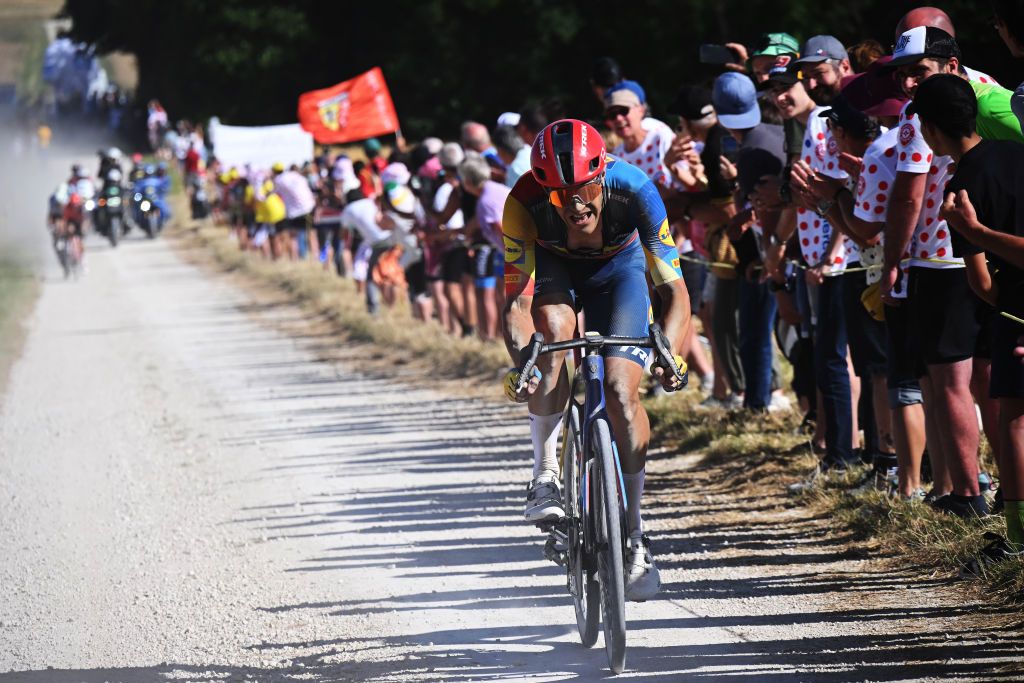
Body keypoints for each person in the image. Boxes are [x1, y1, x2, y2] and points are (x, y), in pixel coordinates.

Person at [502, 119, 690, 601]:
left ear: (602, 174)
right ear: (545, 191)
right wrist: (525, 360)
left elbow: (674, 290)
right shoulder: (522, 203)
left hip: (620, 274)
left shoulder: (636, 190)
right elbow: (517, 306)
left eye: (585, 190)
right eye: (562, 198)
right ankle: (545, 473)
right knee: (554, 336)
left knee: (621, 391)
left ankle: (634, 535)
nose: (577, 205)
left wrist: (671, 353)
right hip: (555, 273)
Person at [912, 74, 1024, 557]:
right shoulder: (1018, 153)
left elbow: (979, 282)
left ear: (931, 129)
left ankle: (1017, 535)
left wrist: (975, 234)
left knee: (1015, 423)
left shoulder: (961, 189)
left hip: (1017, 314)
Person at [459, 153, 510, 342]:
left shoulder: (485, 201)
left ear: (467, 181)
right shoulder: (496, 189)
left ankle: (498, 338)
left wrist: (515, 258)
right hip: (516, 252)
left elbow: (501, 229)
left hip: (515, 255)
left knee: (505, 298)